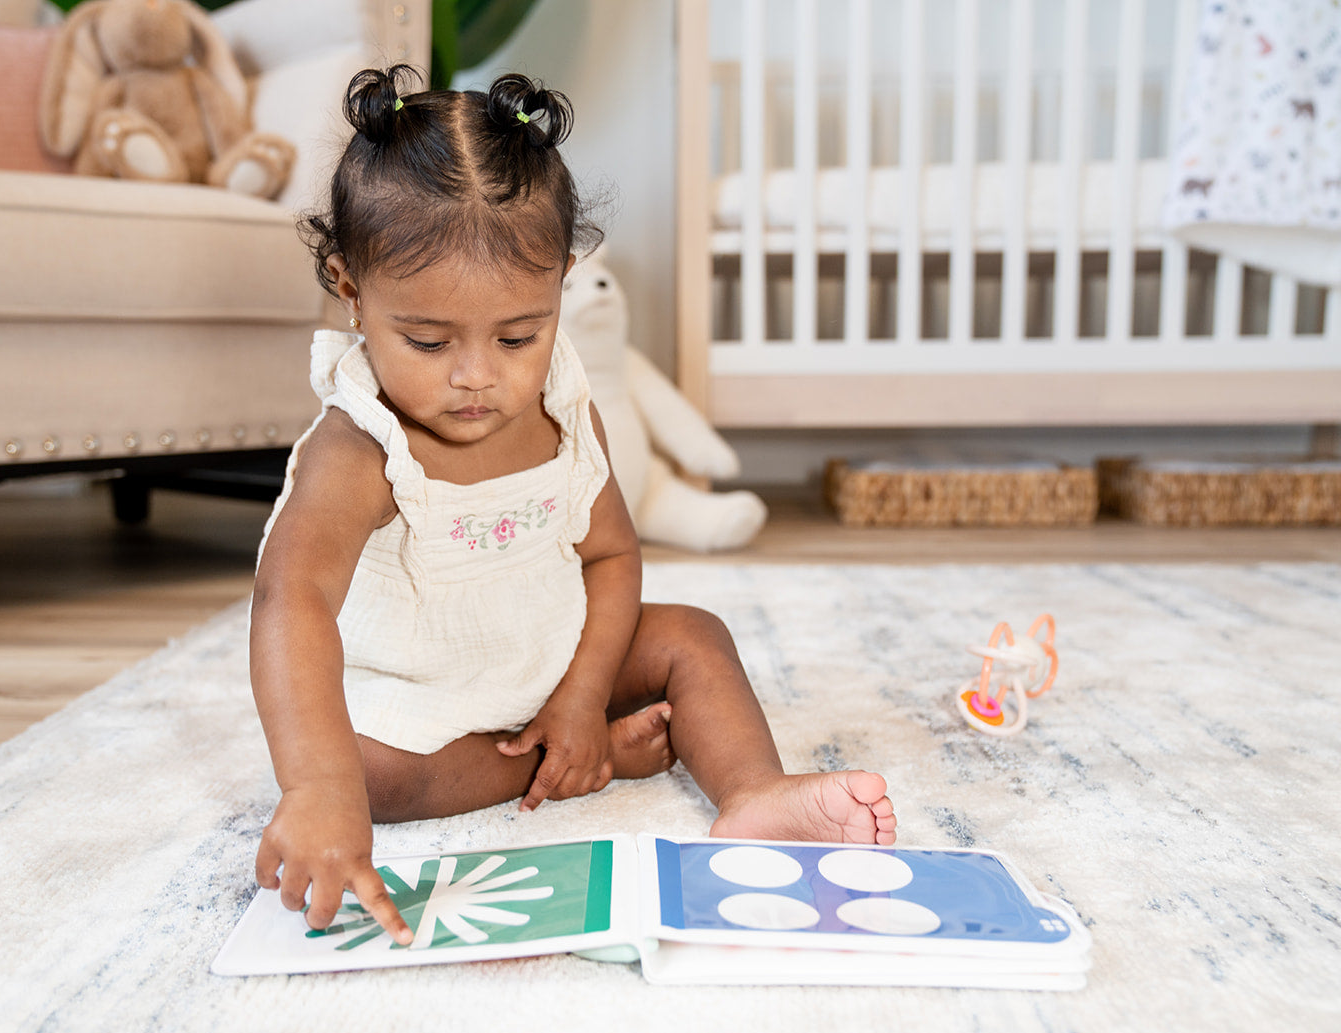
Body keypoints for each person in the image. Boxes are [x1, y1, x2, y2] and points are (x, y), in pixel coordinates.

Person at [249, 67, 896, 945]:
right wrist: (318, 787)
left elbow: (612, 557)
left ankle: (753, 792)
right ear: (350, 286)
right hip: (421, 691)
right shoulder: (360, 445)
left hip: (554, 650)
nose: (479, 375)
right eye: (428, 340)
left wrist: (585, 696)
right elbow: (292, 601)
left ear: (561, 281)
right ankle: (542, 768)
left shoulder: (559, 401)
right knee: (367, 774)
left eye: (519, 334)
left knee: (693, 636)